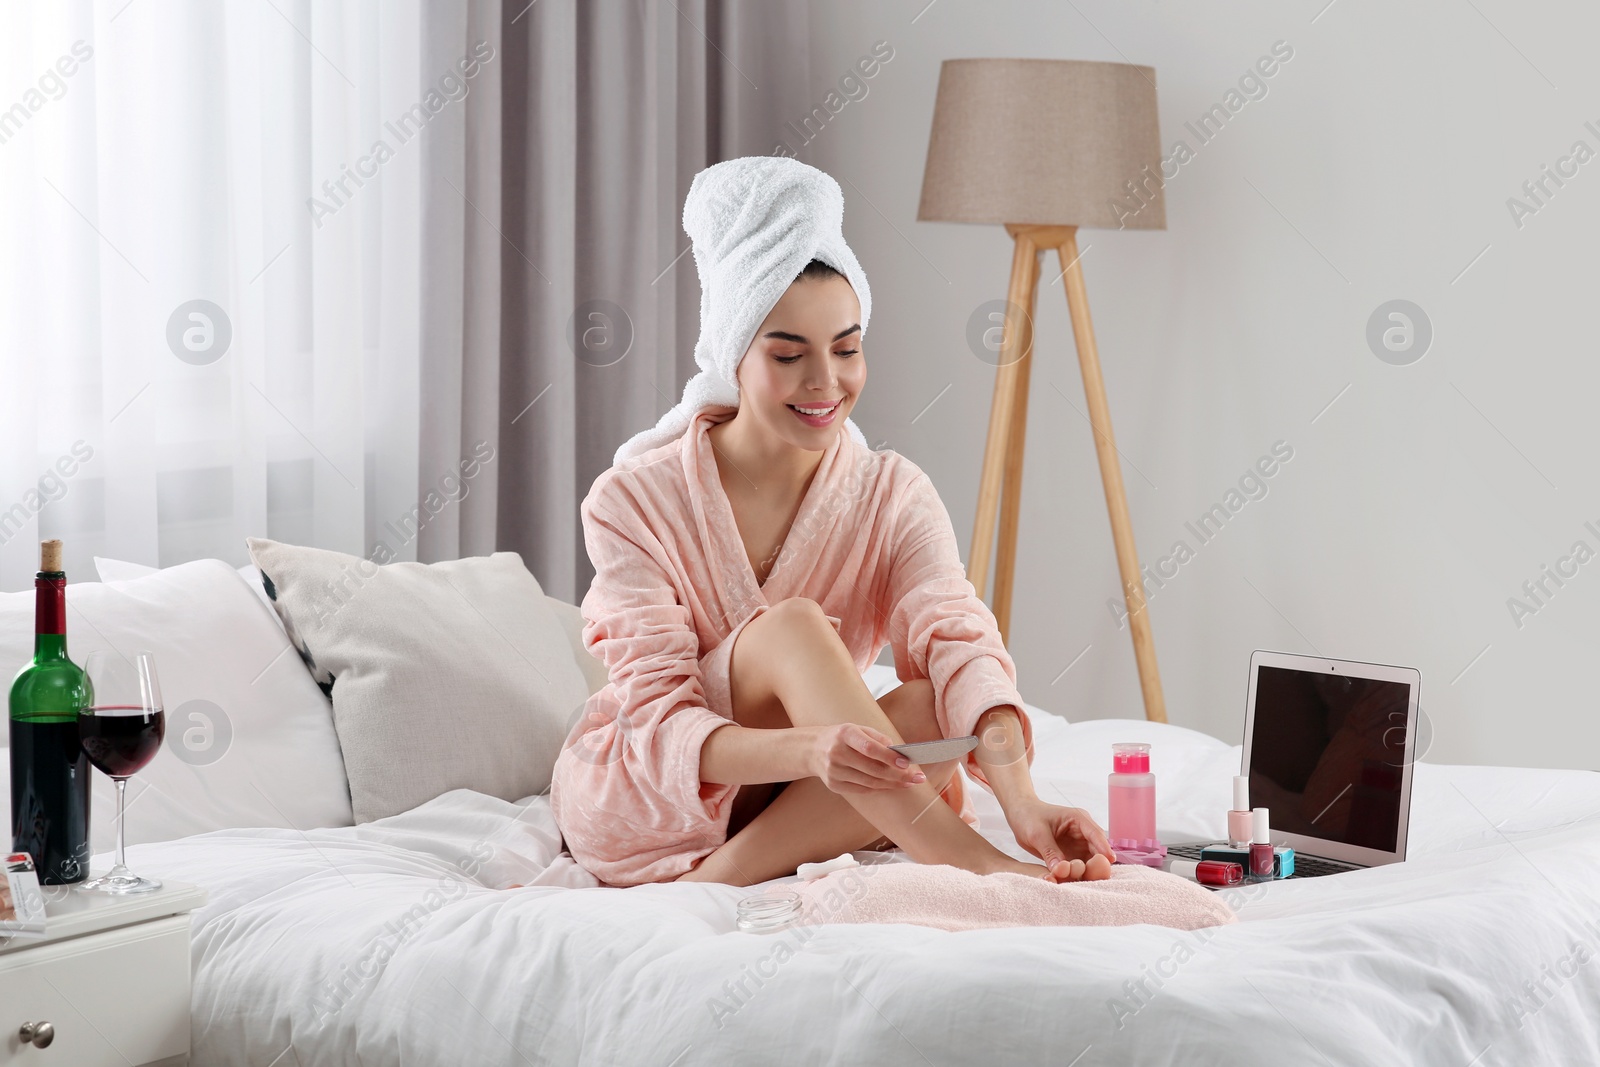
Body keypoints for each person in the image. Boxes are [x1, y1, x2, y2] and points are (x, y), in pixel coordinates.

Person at [549, 156, 1115, 888]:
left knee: (931, 700)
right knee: (792, 627)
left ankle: (713, 884)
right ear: (736, 355)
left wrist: (1024, 799)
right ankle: (970, 860)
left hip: (814, 789)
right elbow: (658, 722)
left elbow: (958, 640)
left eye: (847, 349)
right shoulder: (633, 501)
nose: (826, 383)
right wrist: (813, 749)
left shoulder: (889, 494)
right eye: (789, 355)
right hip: (653, 796)